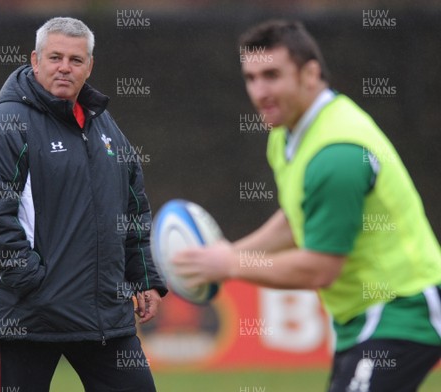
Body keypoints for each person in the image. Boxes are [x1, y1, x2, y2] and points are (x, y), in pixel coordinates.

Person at [173, 20, 441, 391]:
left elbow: (319, 269)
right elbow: (296, 218)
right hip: (360, 317)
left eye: (272, 75)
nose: (260, 91)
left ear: (311, 73)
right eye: (251, 78)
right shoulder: (286, 133)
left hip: (401, 309)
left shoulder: (337, 154)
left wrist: (231, 264)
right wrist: (231, 253)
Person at [0, 17, 167, 392]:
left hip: (104, 314)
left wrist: (144, 278)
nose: (64, 67)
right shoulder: (5, 125)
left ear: (89, 66)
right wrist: (31, 280)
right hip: (28, 316)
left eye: (75, 59)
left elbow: (133, 205)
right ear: (35, 60)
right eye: (55, 57)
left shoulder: (105, 126)